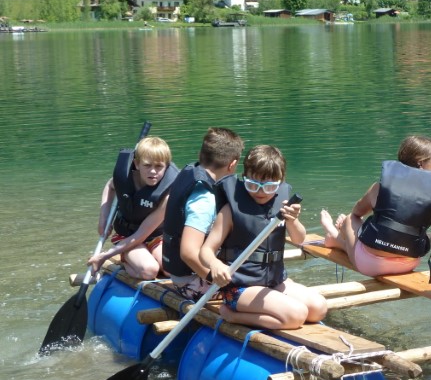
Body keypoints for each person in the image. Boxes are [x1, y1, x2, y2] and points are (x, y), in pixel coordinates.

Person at [200, 145, 327, 329]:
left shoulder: (284, 206)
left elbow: (299, 240)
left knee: (319, 308)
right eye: (252, 185)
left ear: (280, 182)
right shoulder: (230, 210)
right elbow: (205, 250)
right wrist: (215, 264)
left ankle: (276, 307)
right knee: (297, 315)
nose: (260, 192)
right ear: (244, 177)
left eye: (269, 187)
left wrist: (293, 221)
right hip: (239, 288)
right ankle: (233, 316)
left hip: (274, 282)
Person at [320, 135, 431, 277]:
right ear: (420, 162)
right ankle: (336, 238)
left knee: (350, 219)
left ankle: (335, 236)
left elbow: (357, 212)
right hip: (409, 263)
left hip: (370, 265)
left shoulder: (380, 187)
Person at [161, 127, 244, 298]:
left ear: (201, 155)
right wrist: (216, 281)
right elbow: (188, 253)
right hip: (191, 281)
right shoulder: (204, 199)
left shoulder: (191, 172)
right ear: (232, 164)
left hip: (182, 271)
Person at [87, 136, 179, 280]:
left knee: (171, 270)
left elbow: (143, 232)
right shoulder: (125, 178)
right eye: (147, 165)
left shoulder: (169, 192)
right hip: (127, 235)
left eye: (158, 166)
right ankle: (126, 258)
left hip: (155, 236)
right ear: (137, 164)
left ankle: (141, 256)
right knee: (150, 271)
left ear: (166, 166)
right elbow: (110, 186)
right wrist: (103, 219)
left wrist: (105, 256)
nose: (153, 171)